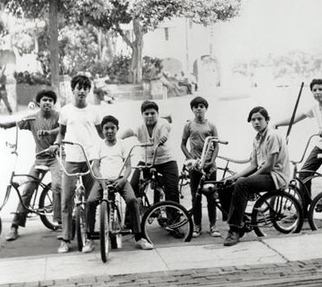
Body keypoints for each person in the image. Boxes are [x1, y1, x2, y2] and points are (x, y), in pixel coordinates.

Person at [0, 90, 62, 241]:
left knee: (58, 186)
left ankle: (59, 220)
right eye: (44, 100)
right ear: (39, 103)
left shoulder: (59, 116)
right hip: (40, 158)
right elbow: (14, 123)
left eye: (50, 100)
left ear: (53, 103)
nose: (47, 102)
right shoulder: (32, 118)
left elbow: (64, 129)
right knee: (27, 190)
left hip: (56, 157)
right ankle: (15, 226)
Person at [218, 106, 290, 246]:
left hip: (276, 176)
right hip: (265, 174)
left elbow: (269, 165)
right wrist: (232, 178)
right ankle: (242, 222)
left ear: (267, 120)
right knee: (225, 186)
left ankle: (234, 230)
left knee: (242, 184)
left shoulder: (272, 135)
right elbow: (253, 165)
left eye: (259, 119)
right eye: (253, 120)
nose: (256, 122)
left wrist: (246, 180)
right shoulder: (257, 138)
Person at [48, 74, 103, 253]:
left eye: (85, 88)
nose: (82, 91)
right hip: (71, 158)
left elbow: (103, 135)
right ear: (73, 90)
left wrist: (109, 150)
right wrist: (56, 144)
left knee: (91, 200)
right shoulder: (65, 111)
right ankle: (65, 239)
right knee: (66, 200)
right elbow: (61, 133)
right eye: (78, 88)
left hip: (90, 158)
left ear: (88, 91)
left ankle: (89, 237)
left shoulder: (94, 111)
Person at [83, 115, 153, 253]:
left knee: (132, 200)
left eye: (112, 128)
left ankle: (139, 237)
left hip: (120, 179)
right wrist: (102, 181)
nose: (109, 131)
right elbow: (95, 166)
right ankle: (90, 238)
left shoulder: (122, 144)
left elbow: (128, 167)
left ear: (117, 129)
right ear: (102, 130)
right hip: (102, 180)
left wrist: (122, 180)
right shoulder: (99, 145)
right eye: (106, 128)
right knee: (90, 202)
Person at [274, 79, 322, 212]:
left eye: (320, 89)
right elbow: (295, 118)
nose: (317, 92)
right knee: (304, 174)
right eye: (314, 90)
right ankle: (305, 210)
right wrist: (277, 123)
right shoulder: (314, 108)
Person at [120, 100, 182, 236]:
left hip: (166, 160)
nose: (149, 116)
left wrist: (164, 137)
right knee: (132, 187)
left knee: (172, 190)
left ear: (157, 114)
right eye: (146, 113)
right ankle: (129, 223)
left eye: (152, 113)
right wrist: (117, 139)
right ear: (142, 115)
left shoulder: (163, 123)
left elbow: (166, 130)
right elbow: (129, 132)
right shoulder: (140, 126)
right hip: (147, 161)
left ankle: (174, 224)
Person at [181, 96, 220, 238]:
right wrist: (191, 159)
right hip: (195, 167)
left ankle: (213, 225)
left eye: (201, 106)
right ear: (192, 109)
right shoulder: (188, 125)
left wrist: (212, 160)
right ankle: (196, 225)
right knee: (195, 197)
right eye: (196, 106)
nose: (199, 109)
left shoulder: (211, 126)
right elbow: (183, 144)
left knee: (211, 197)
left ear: (205, 109)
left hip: (209, 166)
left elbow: (216, 145)